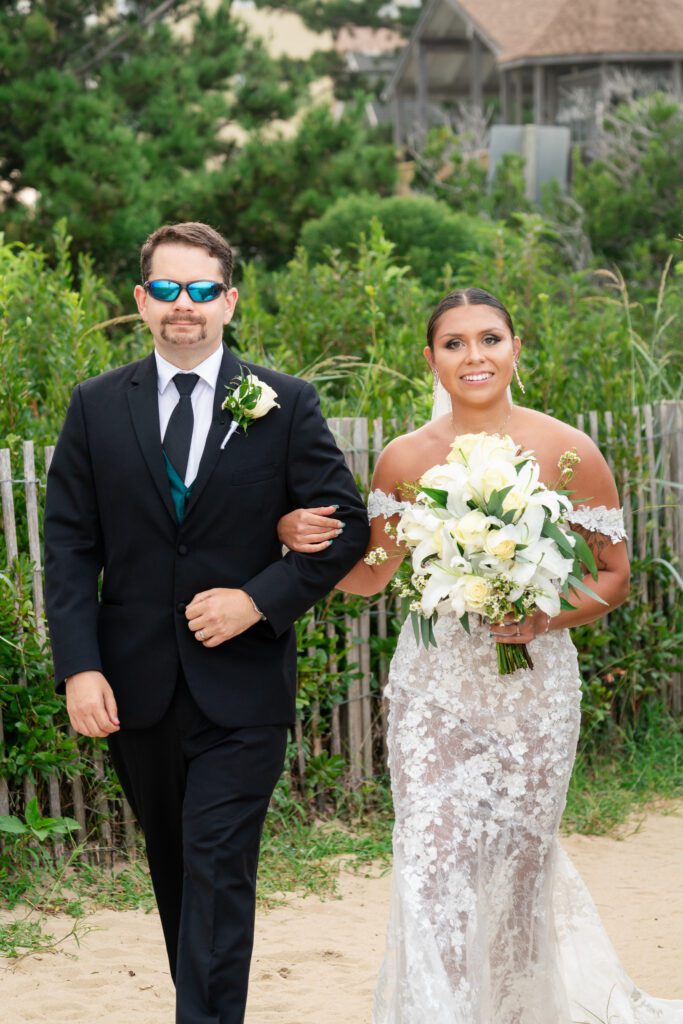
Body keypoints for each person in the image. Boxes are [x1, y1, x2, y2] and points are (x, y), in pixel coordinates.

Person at [278, 288, 683, 1023]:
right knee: (432, 866)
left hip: (535, 690)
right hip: (434, 690)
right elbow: (370, 577)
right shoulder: (404, 458)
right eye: (454, 343)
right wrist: (290, 535)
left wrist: (541, 617)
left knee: (517, 872)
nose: (474, 357)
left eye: (489, 339)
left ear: (514, 348)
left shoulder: (567, 449)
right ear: (429, 359)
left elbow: (614, 574)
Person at [43, 222, 369, 1024]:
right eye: (165, 289)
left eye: (199, 291)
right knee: (175, 866)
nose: (181, 306)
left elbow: (346, 526)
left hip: (242, 689)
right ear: (140, 299)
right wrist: (80, 666)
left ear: (228, 300)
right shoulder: (93, 408)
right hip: (135, 687)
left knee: (218, 863)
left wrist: (257, 598)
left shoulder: (285, 403)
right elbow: (70, 548)